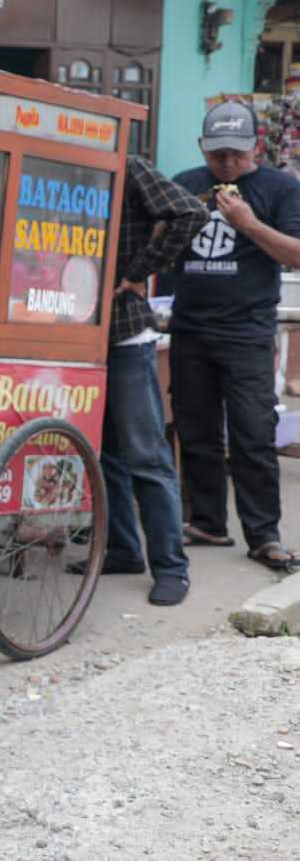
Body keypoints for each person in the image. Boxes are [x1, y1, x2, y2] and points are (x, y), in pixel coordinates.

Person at [170, 100, 300, 573]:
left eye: (237, 153)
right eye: (218, 153)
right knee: (196, 432)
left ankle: (264, 535)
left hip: (247, 332)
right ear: (202, 147)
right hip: (190, 328)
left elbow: (296, 255)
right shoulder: (185, 184)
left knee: (252, 435)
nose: (227, 162)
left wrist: (249, 224)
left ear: (256, 146)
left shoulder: (280, 188)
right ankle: (207, 521)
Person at [71, 155, 206, 605]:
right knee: (107, 452)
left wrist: (137, 272)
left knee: (146, 455)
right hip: (76, 332)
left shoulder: (125, 165)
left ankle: (171, 567)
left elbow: (193, 212)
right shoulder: (50, 168)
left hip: (125, 332)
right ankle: (124, 550)